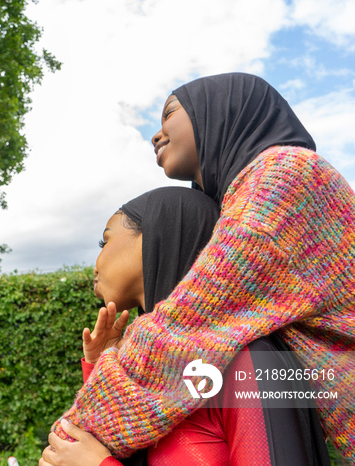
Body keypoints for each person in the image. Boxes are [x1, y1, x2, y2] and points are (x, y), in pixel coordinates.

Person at [47, 72, 355, 461]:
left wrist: (76, 432)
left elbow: (187, 321)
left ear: (222, 109)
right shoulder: (246, 195)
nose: (156, 135)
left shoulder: (284, 173)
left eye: (169, 114)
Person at [40, 187, 329, 465]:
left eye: (105, 241)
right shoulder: (149, 369)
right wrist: (100, 370)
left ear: (157, 237)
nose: (96, 262)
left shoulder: (250, 361)